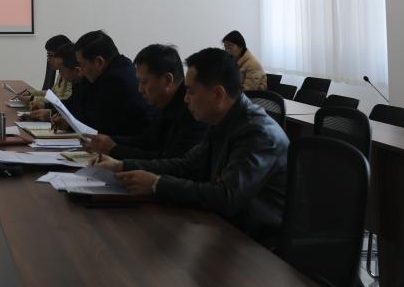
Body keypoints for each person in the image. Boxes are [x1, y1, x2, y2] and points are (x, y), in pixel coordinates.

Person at [94, 47, 288, 244]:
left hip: (254, 243)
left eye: (191, 92)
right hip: (224, 227)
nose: (185, 99)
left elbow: (226, 196)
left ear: (218, 94)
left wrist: (156, 184)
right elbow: (187, 165)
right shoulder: (222, 120)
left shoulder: (257, 133)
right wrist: (122, 166)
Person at [81, 43, 207, 160]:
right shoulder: (165, 103)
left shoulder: (193, 110)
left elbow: (170, 161)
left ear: (167, 80)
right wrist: (105, 140)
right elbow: (146, 141)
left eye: (144, 82)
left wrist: (114, 150)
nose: (140, 89)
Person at [73, 30, 153, 136]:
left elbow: (96, 123)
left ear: (99, 62)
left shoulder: (113, 80)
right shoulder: (123, 64)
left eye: (82, 65)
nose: (81, 72)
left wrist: (69, 124)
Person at [28, 43, 89, 126]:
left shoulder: (87, 84)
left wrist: (52, 114)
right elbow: (70, 104)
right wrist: (47, 107)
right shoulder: (77, 81)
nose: (60, 73)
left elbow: (86, 116)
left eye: (61, 70)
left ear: (77, 71)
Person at [28, 34, 74, 110]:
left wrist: (33, 98)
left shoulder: (70, 74)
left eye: (51, 55)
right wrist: (30, 93)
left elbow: (64, 101)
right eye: (47, 55)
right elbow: (52, 94)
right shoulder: (61, 72)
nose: (48, 60)